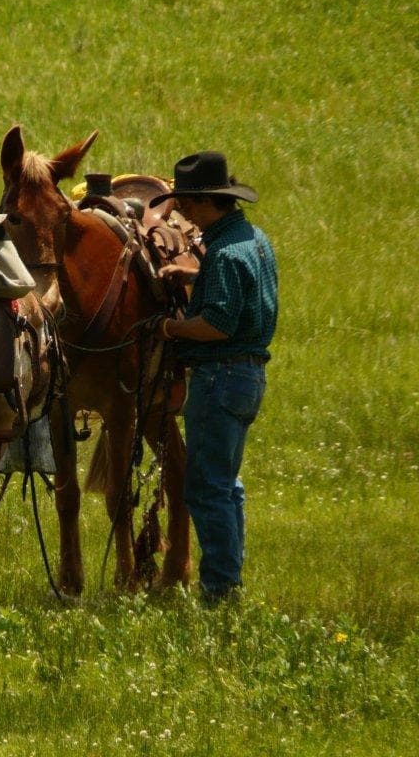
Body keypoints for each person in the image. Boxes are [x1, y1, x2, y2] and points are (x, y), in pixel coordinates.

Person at [149, 151, 278, 605]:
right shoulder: (251, 238)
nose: (181, 211)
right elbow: (236, 285)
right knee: (228, 484)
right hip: (247, 379)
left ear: (206, 202)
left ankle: (219, 589)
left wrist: (170, 328)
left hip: (220, 378)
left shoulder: (222, 253)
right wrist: (193, 273)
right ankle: (229, 579)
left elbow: (216, 325)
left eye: (185, 203)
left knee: (205, 488)